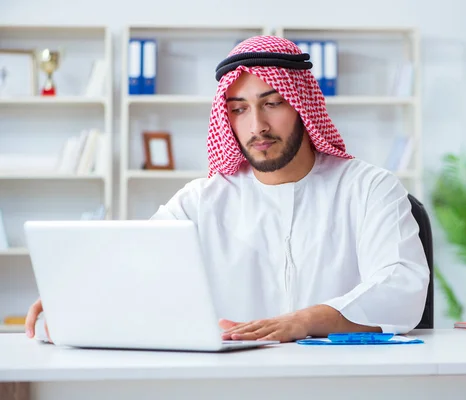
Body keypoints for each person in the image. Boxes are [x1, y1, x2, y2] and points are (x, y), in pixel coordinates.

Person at [25, 35, 430, 343]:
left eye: (272, 103)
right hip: (228, 380)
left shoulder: (368, 187)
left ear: (303, 107)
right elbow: (137, 264)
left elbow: (401, 285)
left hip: (345, 381)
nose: (257, 127)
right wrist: (81, 293)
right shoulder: (200, 201)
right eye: (238, 110)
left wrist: (304, 321)